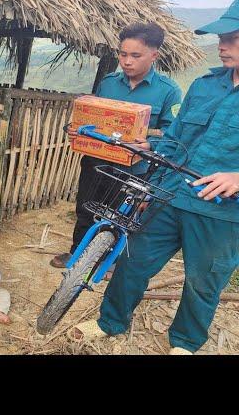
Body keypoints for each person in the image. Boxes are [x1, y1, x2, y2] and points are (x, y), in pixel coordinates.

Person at [70, 0, 239, 354]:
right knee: (132, 262)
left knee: (203, 282)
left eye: (233, 37)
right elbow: (176, 140)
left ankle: (185, 343)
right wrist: (151, 153)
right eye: (220, 36)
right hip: (169, 197)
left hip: (221, 212)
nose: (221, 45)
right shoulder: (206, 85)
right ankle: (109, 322)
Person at [50, 22, 183, 268]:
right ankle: (77, 253)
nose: (127, 61)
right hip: (97, 162)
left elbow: (173, 133)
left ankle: (108, 262)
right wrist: (76, 128)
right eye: (123, 54)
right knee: (86, 207)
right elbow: (93, 118)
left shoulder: (168, 92)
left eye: (135, 55)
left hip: (134, 169)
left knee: (120, 215)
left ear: (154, 55)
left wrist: (150, 144)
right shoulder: (108, 83)